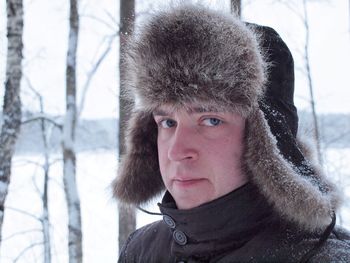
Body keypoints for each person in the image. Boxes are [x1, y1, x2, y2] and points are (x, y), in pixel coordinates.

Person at [113, 4, 350, 262]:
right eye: (168, 122)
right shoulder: (141, 251)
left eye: (211, 120)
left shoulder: (324, 257)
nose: (177, 152)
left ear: (266, 146)